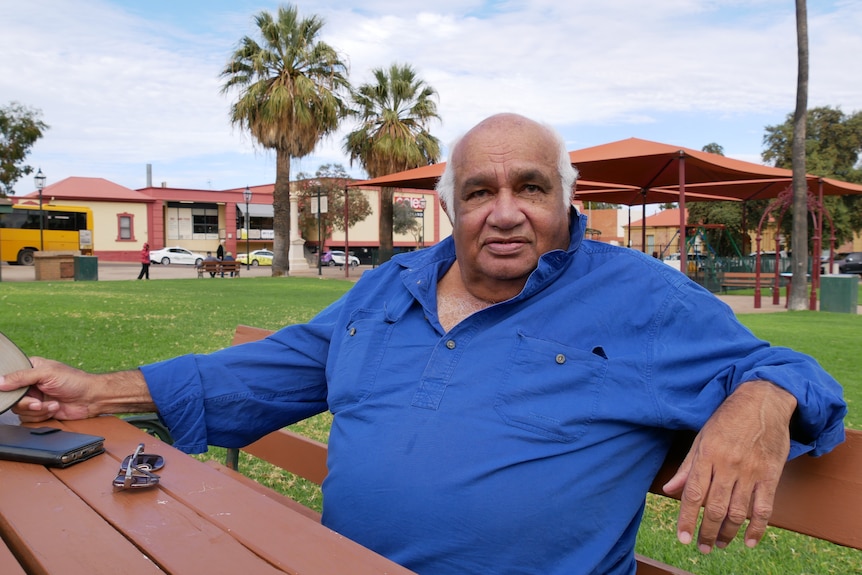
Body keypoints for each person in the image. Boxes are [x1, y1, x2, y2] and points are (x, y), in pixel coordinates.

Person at [0, 114, 846, 575]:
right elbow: (274, 370)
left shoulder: (640, 296)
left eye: (531, 187)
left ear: (567, 200)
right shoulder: (389, 287)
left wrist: (761, 401)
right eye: (480, 190)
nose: (505, 210)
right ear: (453, 206)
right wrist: (99, 392)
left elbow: (787, 368)